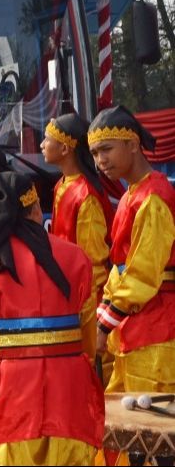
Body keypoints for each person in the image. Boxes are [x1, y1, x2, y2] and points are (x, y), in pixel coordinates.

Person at [0, 173, 103, 465]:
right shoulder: (77, 257)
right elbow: (88, 335)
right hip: (70, 387)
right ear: (36, 209)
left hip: (12, 392)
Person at [88, 105, 175, 393]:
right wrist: (103, 319)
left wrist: (102, 326)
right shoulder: (130, 195)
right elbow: (119, 268)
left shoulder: (154, 197)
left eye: (106, 149)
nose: (100, 160)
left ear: (133, 145)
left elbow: (142, 273)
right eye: (95, 153)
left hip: (158, 330)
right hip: (134, 327)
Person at [41, 115, 114, 298]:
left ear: (65, 148)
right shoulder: (62, 184)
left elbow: (93, 261)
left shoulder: (86, 195)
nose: (42, 145)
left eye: (47, 139)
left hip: (86, 297)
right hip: (69, 288)